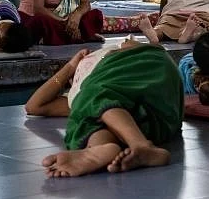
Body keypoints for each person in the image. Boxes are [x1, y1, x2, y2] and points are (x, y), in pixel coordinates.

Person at [26, 38, 183, 177]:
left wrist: (75, 64)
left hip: (148, 64)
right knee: (87, 120)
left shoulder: (93, 83)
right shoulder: (76, 99)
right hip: (161, 108)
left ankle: (141, 145)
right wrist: (69, 67)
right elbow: (34, 106)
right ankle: (98, 149)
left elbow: (136, 45)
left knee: (93, 96)